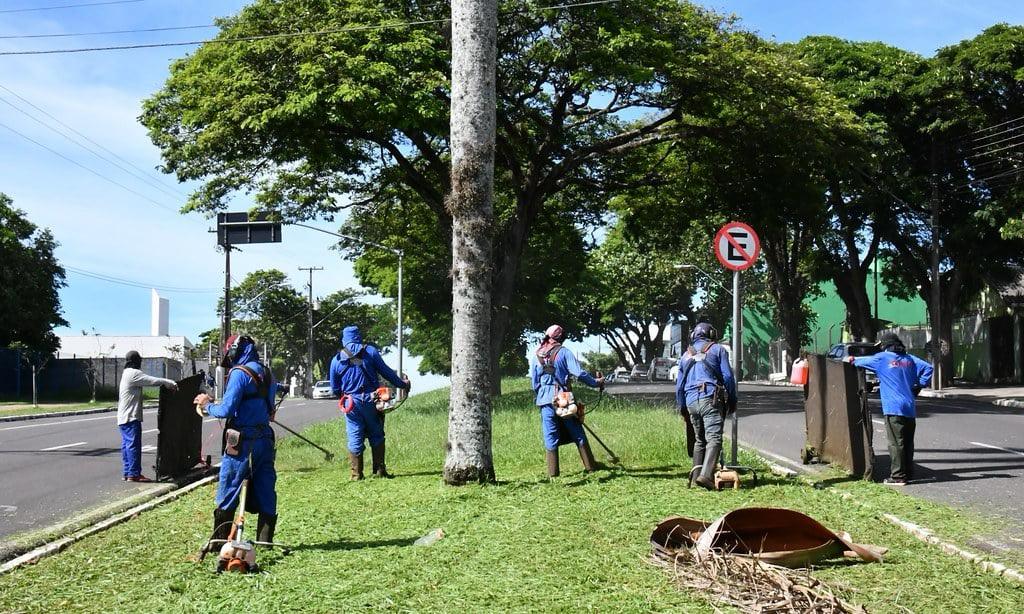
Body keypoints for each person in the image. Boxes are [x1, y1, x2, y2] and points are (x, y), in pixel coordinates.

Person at [193, 335, 279, 547]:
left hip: (241, 442)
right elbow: (271, 412)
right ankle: (265, 542)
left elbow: (227, 410)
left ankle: (219, 542)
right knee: (266, 488)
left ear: (233, 352)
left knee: (229, 488)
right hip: (265, 439)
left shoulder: (239, 373)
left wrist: (206, 405)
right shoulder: (267, 373)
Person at [848, 332, 933, 486]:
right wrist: (919, 385)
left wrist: (850, 359)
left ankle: (898, 476)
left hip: (893, 407)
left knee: (896, 443)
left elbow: (857, 361)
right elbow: (928, 368)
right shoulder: (910, 359)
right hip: (909, 406)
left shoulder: (882, 358)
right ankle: (908, 473)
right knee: (907, 442)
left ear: (884, 346)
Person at [329, 325, 410, 480]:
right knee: (376, 433)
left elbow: (334, 388)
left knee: (354, 434)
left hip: (350, 402)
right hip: (371, 400)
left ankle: (356, 474)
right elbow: (386, 372)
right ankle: (379, 471)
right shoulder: (370, 351)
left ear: (344, 339)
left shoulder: (336, 360)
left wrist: (345, 398)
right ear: (358, 336)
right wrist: (403, 384)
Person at [531, 324, 605, 477]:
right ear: (561, 338)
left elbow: (535, 383)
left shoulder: (536, 355)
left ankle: (553, 474)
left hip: (545, 401)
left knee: (550, 435)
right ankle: (590, 467)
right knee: (577, 431)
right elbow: (579, 373)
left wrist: (544, 394)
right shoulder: (564, 353)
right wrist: (595, 382)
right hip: (564, 400)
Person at [675, 322, 736, 490]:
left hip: (691, 401)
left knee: (699, 439)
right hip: (710, 398)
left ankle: (696, 476)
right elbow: (728, 378)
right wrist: (732, 399)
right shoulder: (718, 350)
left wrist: (682, 407)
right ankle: (706, 476)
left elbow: (679, 386)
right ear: (711, 334)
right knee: (714, 438)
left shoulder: (685, 355)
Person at [117, 350, 178, 482]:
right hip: (130, 417)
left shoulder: (126, 373)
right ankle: (134, 474)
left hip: (123, 417)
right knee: (133, 445)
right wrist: (170, 383)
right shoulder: (133, 373)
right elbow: (152, 381)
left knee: (126, 446)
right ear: (136, 361)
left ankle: (127, 472)